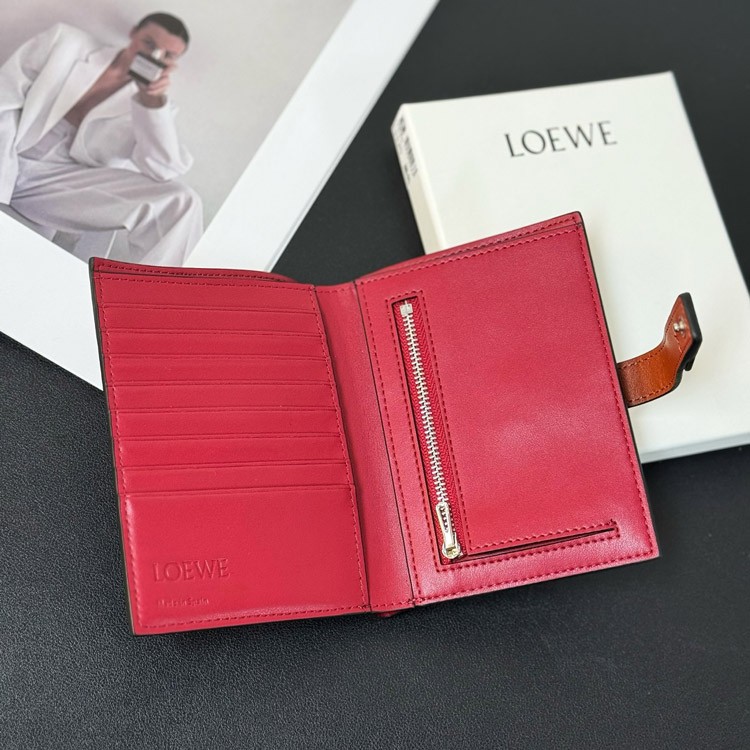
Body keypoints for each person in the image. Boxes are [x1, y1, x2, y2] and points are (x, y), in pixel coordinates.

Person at [0, 14, 202, 265]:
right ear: (134, 33)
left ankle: (152, 290)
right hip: (10, 150)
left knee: (182, 202)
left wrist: (150, 102)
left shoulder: (155, 108)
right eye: (149, 43)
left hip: (60, 183)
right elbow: (5, 99)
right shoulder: (65, 41)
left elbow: (164, 169)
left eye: (167, 55)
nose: (154, 55)